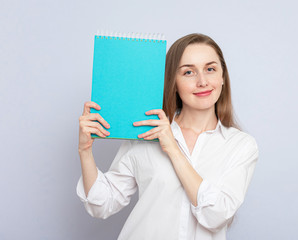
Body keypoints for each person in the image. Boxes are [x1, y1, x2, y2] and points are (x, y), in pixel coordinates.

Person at [77, 33, 258, 240]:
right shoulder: (146, 133)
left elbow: (215, 215)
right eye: (188, 72)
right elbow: (102, 205)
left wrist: (172, 147)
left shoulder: (241, 146)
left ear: (222, 77)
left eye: (210, 69)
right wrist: (85, 151)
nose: (202, 81)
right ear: (173, 82)